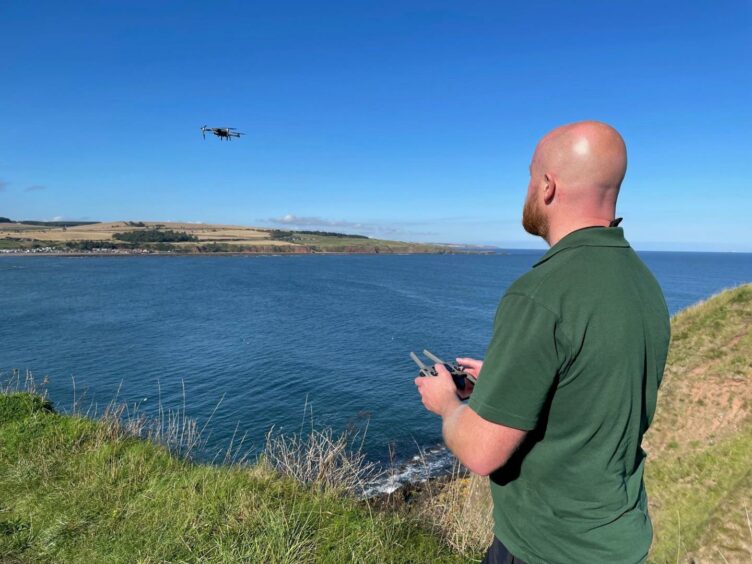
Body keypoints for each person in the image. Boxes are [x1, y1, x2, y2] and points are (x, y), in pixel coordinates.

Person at [415, 121, 670, 563]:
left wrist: (448, 404)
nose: (528, 188)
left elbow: (480, 452)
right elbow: (592, 388)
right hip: (619, 541)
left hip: (546, 547)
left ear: (548, 186)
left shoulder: (541, 293)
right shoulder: (643, 283)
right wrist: (501, 380)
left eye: (531, 176)